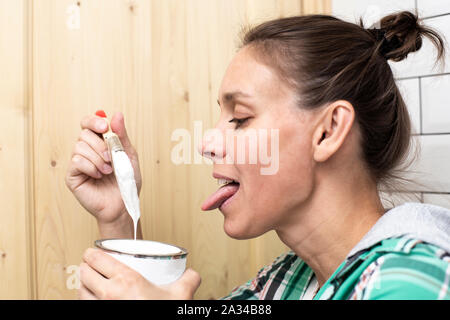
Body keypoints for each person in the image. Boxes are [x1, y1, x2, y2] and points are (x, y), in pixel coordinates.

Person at [66, 11, 450, 300]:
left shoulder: (409, 282)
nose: (206, 143)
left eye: (240, 118)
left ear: (329, 131)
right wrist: (119, 215)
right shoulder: (283, 282)